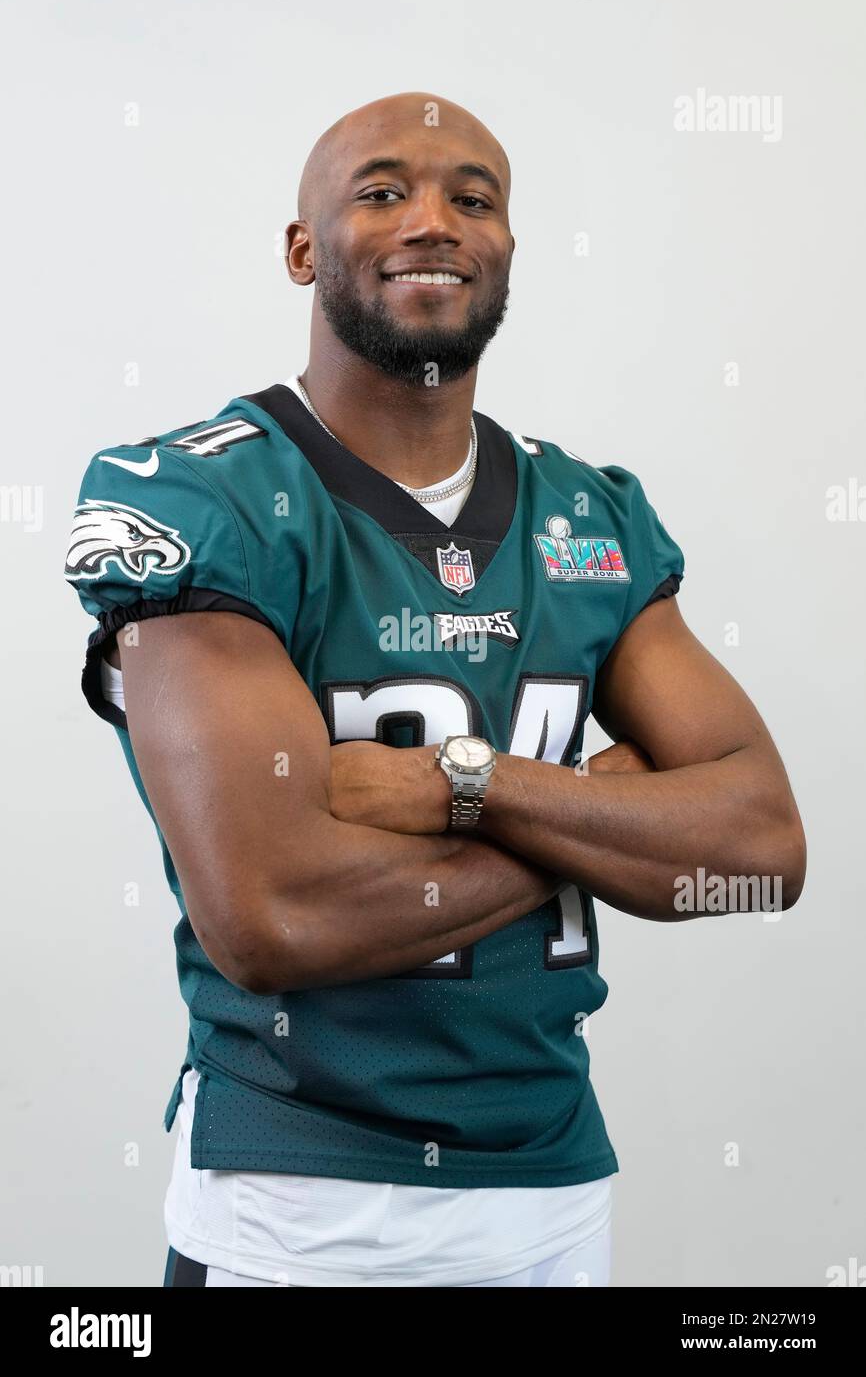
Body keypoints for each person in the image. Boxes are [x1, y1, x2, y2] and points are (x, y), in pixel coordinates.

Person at [64, 92, 806, 1288]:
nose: (432, 221)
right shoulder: (209, 497)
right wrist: (592, 817)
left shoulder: (588, 515)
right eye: (380, 191)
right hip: (298, 1208)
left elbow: (760, 845)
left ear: (508, 248)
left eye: (473, 198)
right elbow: (270, 916)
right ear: (303, 248)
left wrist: (463, 782)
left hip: (554, 1194)